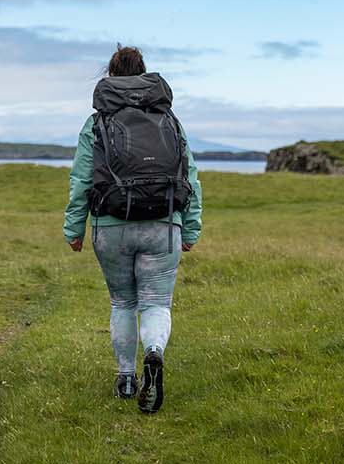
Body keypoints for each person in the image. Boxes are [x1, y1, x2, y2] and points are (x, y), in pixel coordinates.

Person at [64, 46, 202, 413]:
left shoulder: (96, 122)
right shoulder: (169, 119)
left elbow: (80, 179)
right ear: (145, 74)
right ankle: (154, 353)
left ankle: (126, 377)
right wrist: (190, 228)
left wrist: (74, 227)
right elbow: (190, 176)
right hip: (163, 223)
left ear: (110, 75)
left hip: (111, 224)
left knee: (122, 302)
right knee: (156, 302)